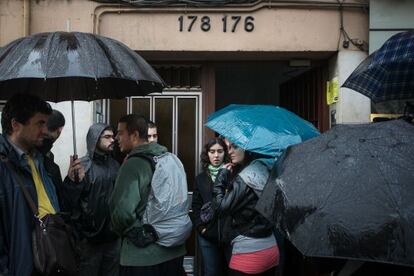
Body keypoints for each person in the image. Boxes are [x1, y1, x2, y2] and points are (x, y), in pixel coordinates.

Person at [0, 94, 79, 276]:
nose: (45, 130)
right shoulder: (4, 166)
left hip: (50, 260)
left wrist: (74, 184)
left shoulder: (42, 161)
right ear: (15, 125)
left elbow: (58, 208)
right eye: (39, 123)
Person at [110, 114, 186, 276]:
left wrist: (137, 233)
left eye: (120, 132)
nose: (116, 138)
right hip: (175, 250)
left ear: (135, 135)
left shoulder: (133, 164)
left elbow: (121, 213)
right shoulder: (171, 159)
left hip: (143, 258)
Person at [213, 138, 279, 276]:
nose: (229, 151)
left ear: (248, 149)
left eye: (235, 146)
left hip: (250, 250)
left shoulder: (245, 177)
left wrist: (221, 177)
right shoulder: (268, 168)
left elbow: (220, 208)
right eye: (228, 147)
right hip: (271, 246)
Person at [64, 123, 120, 276]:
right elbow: (69, 202)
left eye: (113, 136)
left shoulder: (115, 165)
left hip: (113, 239)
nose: (113, 140)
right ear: (95, 139)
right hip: (88, 241)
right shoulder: (81, 167)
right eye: (107, 137)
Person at [192, 137, 229, 276]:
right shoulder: (200, 178)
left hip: (229, 234)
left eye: (220, 151)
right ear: (207, 154)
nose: (216, 155)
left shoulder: (231, 175)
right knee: (211, 272)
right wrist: (201, 228)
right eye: (212, 151)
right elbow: (195, 206)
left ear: (225, 153)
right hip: (207, 235)